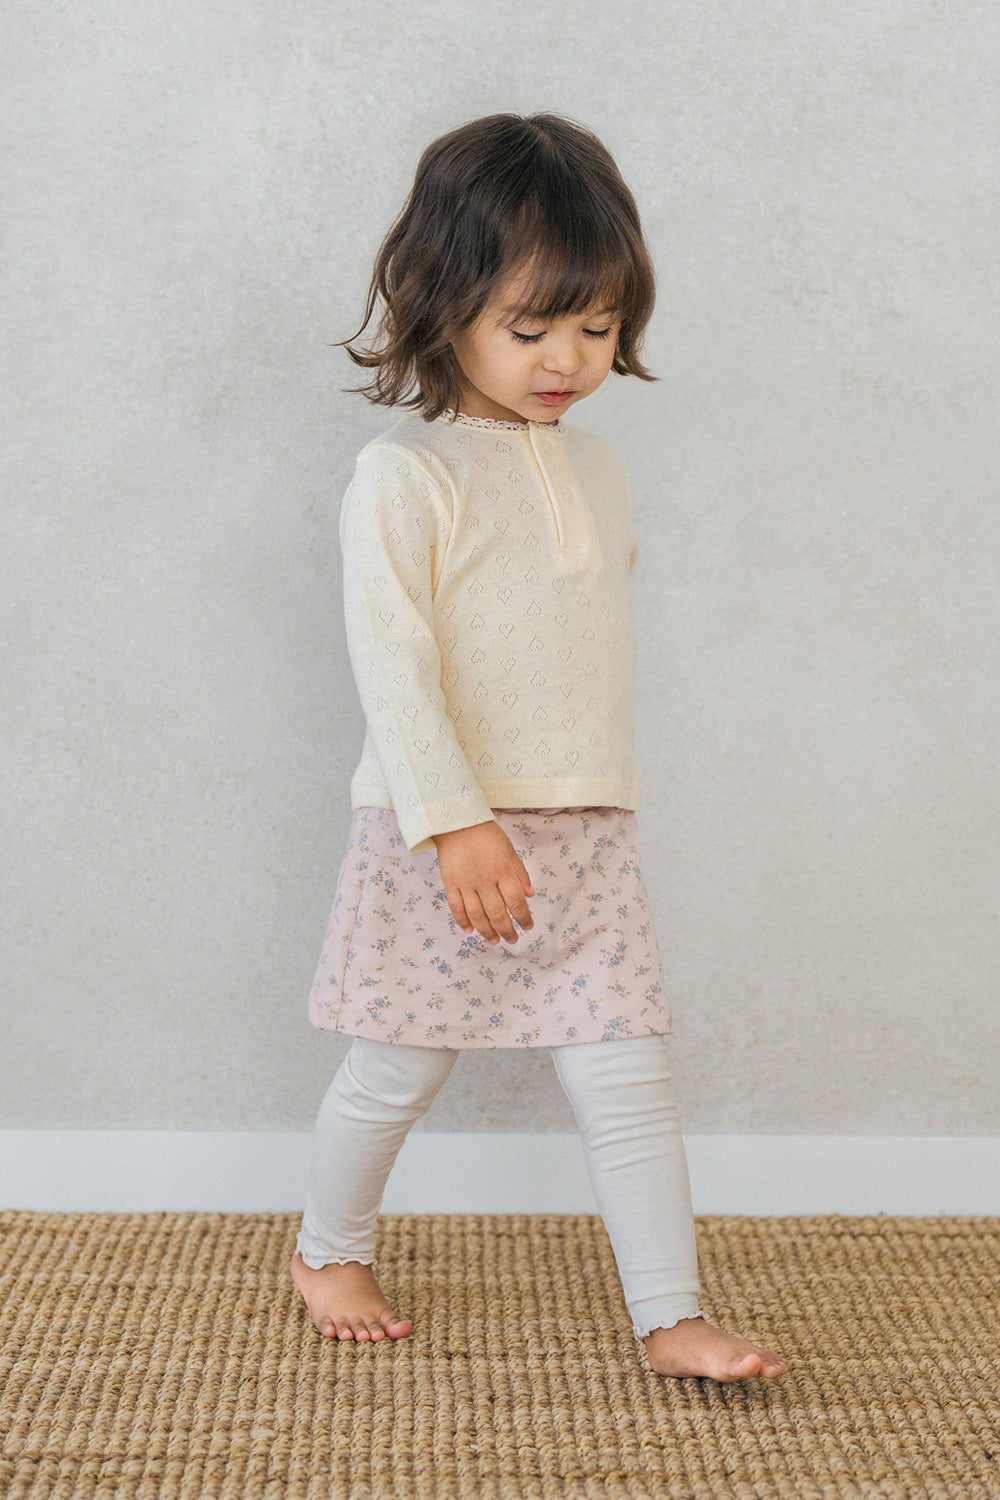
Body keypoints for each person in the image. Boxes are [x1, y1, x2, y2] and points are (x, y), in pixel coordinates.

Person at [290, 112, 786, 1382]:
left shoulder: (605, 471)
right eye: (530, 327)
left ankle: (668, 1314)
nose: (568, 357)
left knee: (625, 1075)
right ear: (443, 302)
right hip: (439, 829)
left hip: (586, 824)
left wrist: (573, 804)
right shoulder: (406, 476)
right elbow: (393, 672)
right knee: (396, 1065)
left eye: (599, 326)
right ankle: (325, 1247)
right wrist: (455, 822)